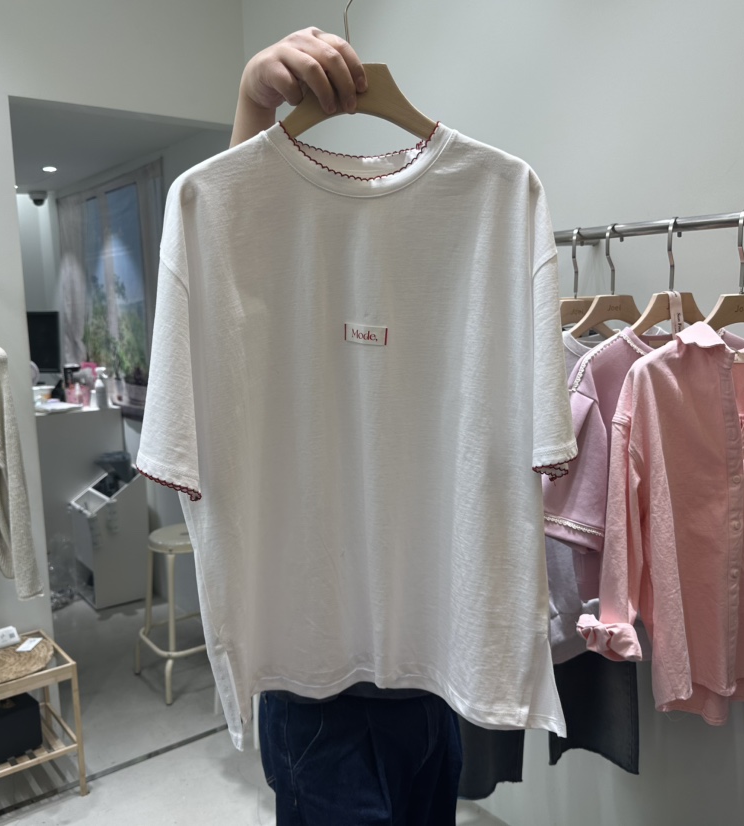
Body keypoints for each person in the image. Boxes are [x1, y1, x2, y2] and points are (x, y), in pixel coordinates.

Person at [229, 28, 463, 825]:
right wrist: (253, 100)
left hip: (433, 669)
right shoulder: (263, 244)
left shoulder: (477, 212)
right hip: (317, 687)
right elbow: (236, 233)